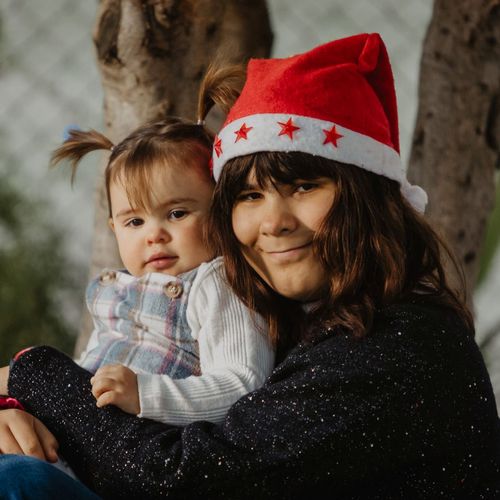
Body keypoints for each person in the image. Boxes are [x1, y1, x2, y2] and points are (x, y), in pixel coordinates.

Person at [0, 32, 499, 499]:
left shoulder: (398, 347)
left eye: (304, 187)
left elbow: (182, 479)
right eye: (250, 195)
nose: (273, 222)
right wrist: (18, 417)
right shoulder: (294, 320)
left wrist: (32, 375)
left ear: (369, 197)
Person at [49, 118, 274, 426]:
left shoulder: (216, 283)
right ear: (114, 229)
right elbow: (91, 365)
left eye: (176, 213)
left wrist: (145, 395)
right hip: (81, 437)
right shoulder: (114, 290)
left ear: (221, 212)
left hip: (145, 451)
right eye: (134, 222)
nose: (154, 235)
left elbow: (242, 384)